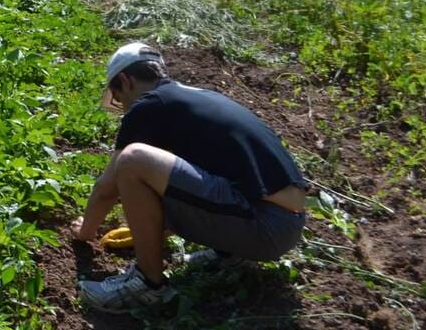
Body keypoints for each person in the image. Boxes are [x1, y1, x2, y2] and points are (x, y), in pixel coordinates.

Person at [71, 42, 309, 312]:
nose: (122, 106)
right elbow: (193, 182)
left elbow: (107, 188)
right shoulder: (193, 99)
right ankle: (229, 253)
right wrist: (157, 226)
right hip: (288, 222)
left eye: (117, 97)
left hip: (264, 226)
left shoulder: (148, 105)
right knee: (158, 167)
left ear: (125, 81)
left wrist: (85, 231)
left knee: (133, 159)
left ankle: (147, 285)